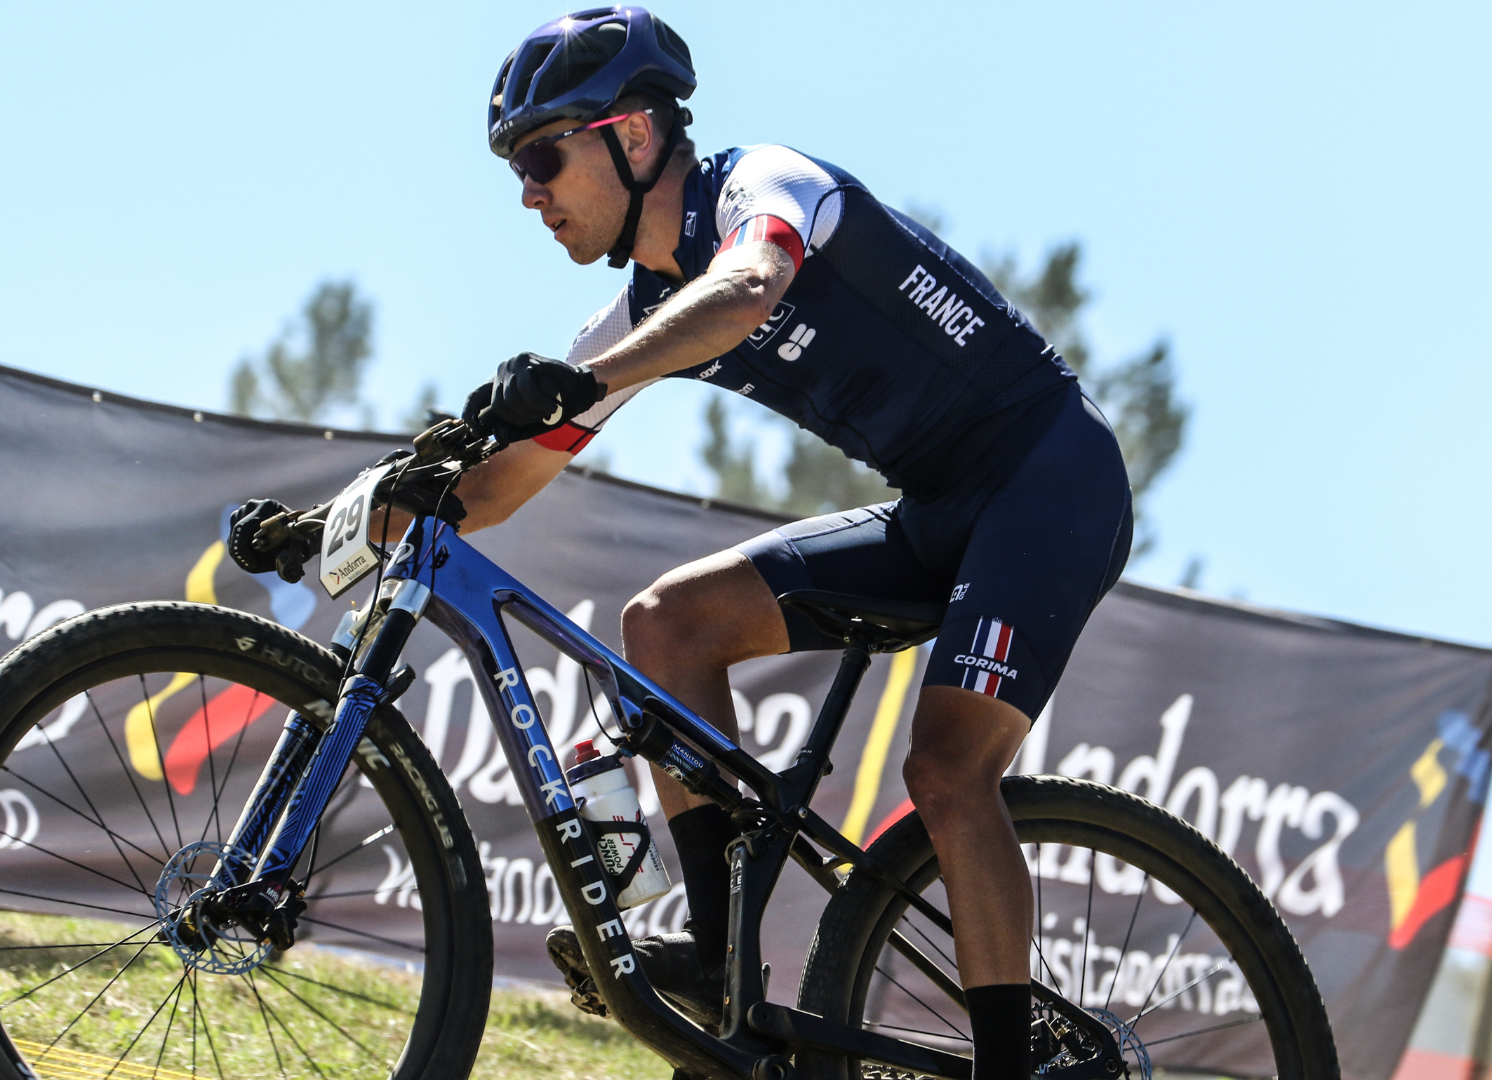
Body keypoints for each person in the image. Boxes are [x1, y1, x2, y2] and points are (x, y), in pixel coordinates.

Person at [236, 8, 1132, 1079]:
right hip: (939, 508)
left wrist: (591, 381)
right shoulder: (633, 319)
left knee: (944, 770)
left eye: (540, 156)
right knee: (667, 627)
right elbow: (494, 487)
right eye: (516, 170)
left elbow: (747, 289)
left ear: (637, 134)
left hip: (1050, 476)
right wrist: (337, 521)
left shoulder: (765, 184)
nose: (527, 192)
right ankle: (715, 956)